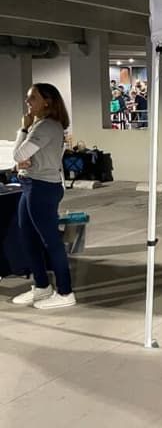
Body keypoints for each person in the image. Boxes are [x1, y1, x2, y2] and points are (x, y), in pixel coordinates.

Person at [10, 83, 76, 309]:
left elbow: (18, 154)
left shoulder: (45, 127)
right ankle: (41, 286)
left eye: (33, 98)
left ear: (47, 101)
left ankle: (65, 292)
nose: (28, 103)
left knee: (50, 241)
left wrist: (24, 129)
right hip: (30, 183)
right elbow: (22, 158)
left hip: (42, 187)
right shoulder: (42, 125)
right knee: (27, 236)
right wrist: (23, 158)